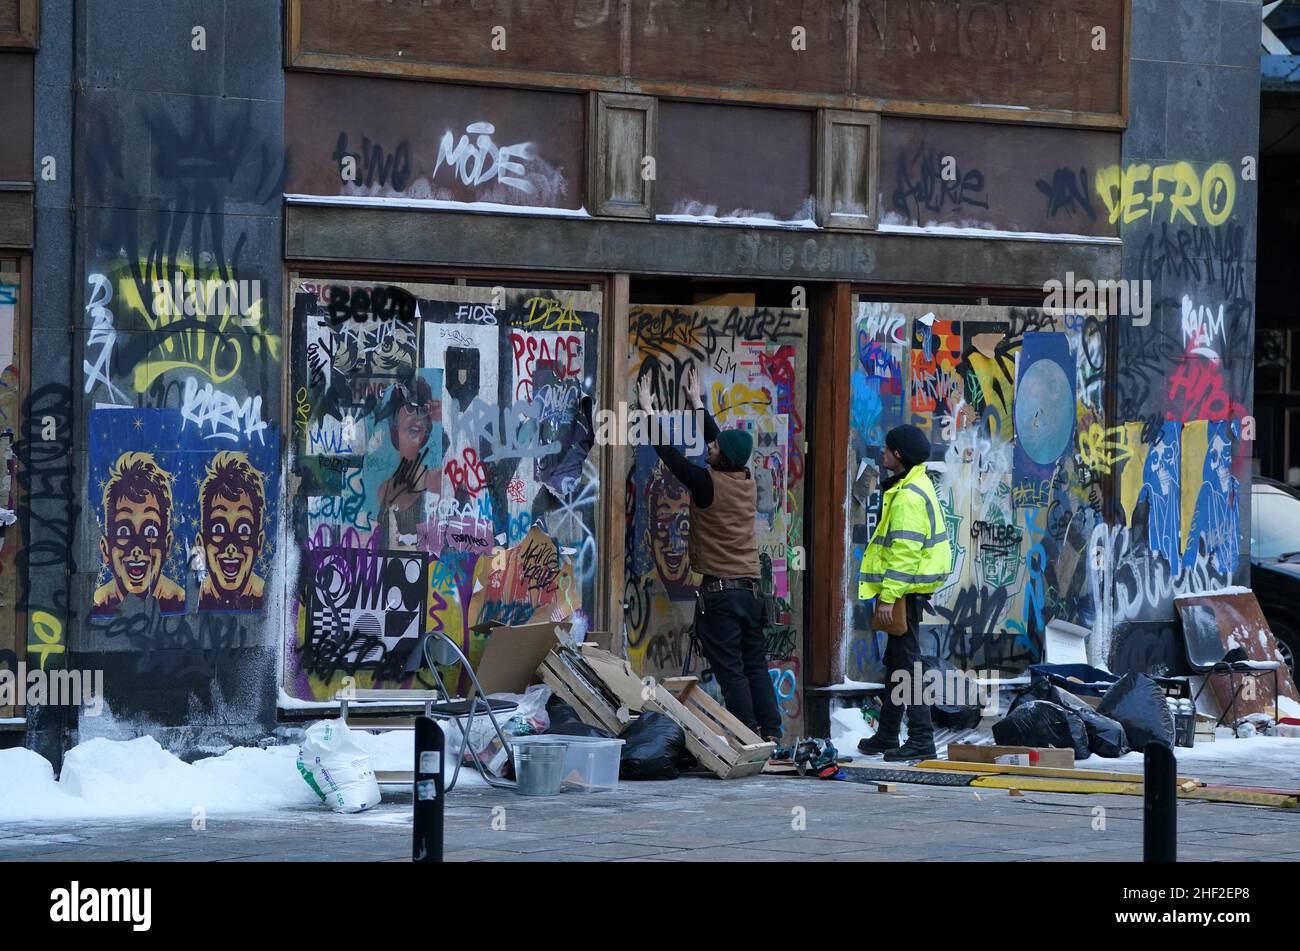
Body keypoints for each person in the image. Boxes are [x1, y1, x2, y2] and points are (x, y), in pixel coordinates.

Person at [636, 365, 783, 744]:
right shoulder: (745, 480)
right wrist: (697, 403)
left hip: (721, 595)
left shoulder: (706, 484)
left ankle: (746, 735)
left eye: (713, 449)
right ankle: (771, 733)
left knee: (732, 670)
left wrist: (649, 411)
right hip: (751, 592)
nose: (709, 448)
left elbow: (671, 457)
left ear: (721, 460)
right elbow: (725, 444)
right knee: (756, 667)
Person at [856, 424, 954, 760]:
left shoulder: (909, 496)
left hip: (903, 593)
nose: (881, 452)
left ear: (898, 455)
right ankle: (886, 735)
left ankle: (922, 738)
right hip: (906, 591)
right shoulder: (910, 485)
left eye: (886, 448)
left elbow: (905, 552)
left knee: (908, 666)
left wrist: (888, 596)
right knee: (898, 662)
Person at [92, 451, 186, 618]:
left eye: (150, 531)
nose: (137, 549)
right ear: (106, 548)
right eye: (123, 532)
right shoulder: (100, 601)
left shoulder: (178, 599)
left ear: (167, 544)